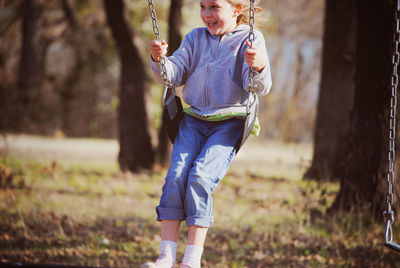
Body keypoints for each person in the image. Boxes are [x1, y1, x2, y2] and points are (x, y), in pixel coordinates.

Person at [142, 0, 271, 267]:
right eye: (202, 6)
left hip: (230, 122)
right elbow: (172, 75)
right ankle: (166, 256)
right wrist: (159, 60)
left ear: (237, 8)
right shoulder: (195, 38)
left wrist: (258, 66)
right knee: (177, 175)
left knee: (200, 177)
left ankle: (191, 260)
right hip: (194, 119)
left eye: (214, 7)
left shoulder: (251, 38)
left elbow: (261, 86)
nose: (206, 14)